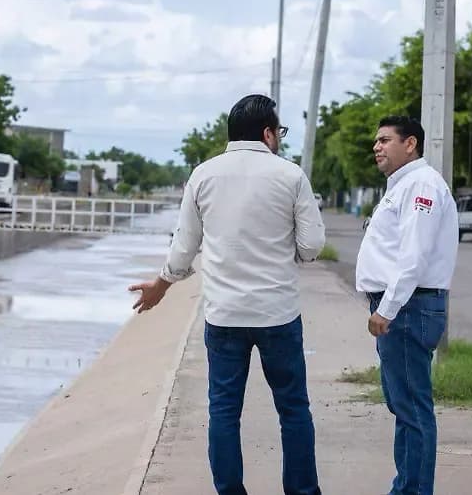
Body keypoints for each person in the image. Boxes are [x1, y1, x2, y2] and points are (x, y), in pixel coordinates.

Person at [129, 94, 326, 495]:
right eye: (280, 132)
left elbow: (184, 248)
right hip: (278, 315)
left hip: (224, 316)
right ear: (268, 133)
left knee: (223, 411)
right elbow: (311, 248)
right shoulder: (290, 176)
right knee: (293, 411)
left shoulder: (203, 175)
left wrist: (160, 286)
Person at [355, 116, 457, 495]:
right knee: (405, 407)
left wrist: (388, 309)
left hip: (409, 308)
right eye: (376, 141)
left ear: (410, 143)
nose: (377, 147)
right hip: (405, 306)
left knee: (413, 410)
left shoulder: (421, 185)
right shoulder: (404, 185)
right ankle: (406, 487)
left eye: (385, 140)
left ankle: (413, 490)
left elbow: (414, 256)